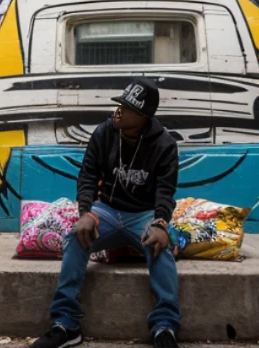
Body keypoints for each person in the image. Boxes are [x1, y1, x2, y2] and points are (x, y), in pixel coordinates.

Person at [33, 78, 181, 348]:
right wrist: (86, 212)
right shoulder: (104, 133)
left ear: (143, 116)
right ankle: (66, 324)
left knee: (162, 245)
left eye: (126, 107)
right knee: (75, 236)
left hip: (144, 214)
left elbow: (165, 191)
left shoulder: (165, 145)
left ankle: (164, 327)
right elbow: (88, 175)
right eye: (120, 104)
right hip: (108, 210)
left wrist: (160, 222)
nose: (119, 111)